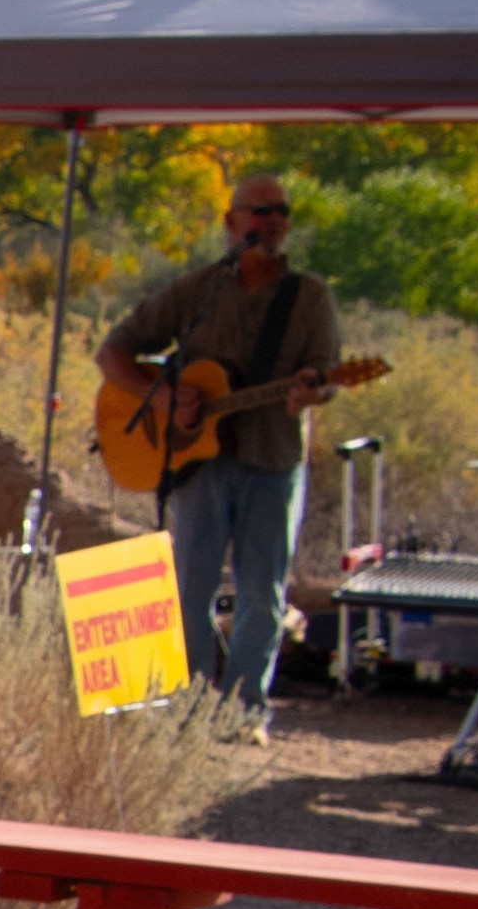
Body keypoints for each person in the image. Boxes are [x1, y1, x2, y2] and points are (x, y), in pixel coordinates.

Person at [95, 175, 343, 726]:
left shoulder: (309, 297)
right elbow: (113, 352)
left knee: (262, 594)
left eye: (280, 212)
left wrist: (314, 390)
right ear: (232, 222)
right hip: (200, 466)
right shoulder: (200, 291)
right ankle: (188, 711)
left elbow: (325, 374)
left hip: (272, 461)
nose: (270, 221)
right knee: (190, 588)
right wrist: (163, 398)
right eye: (259, 211)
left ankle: (242, 715)